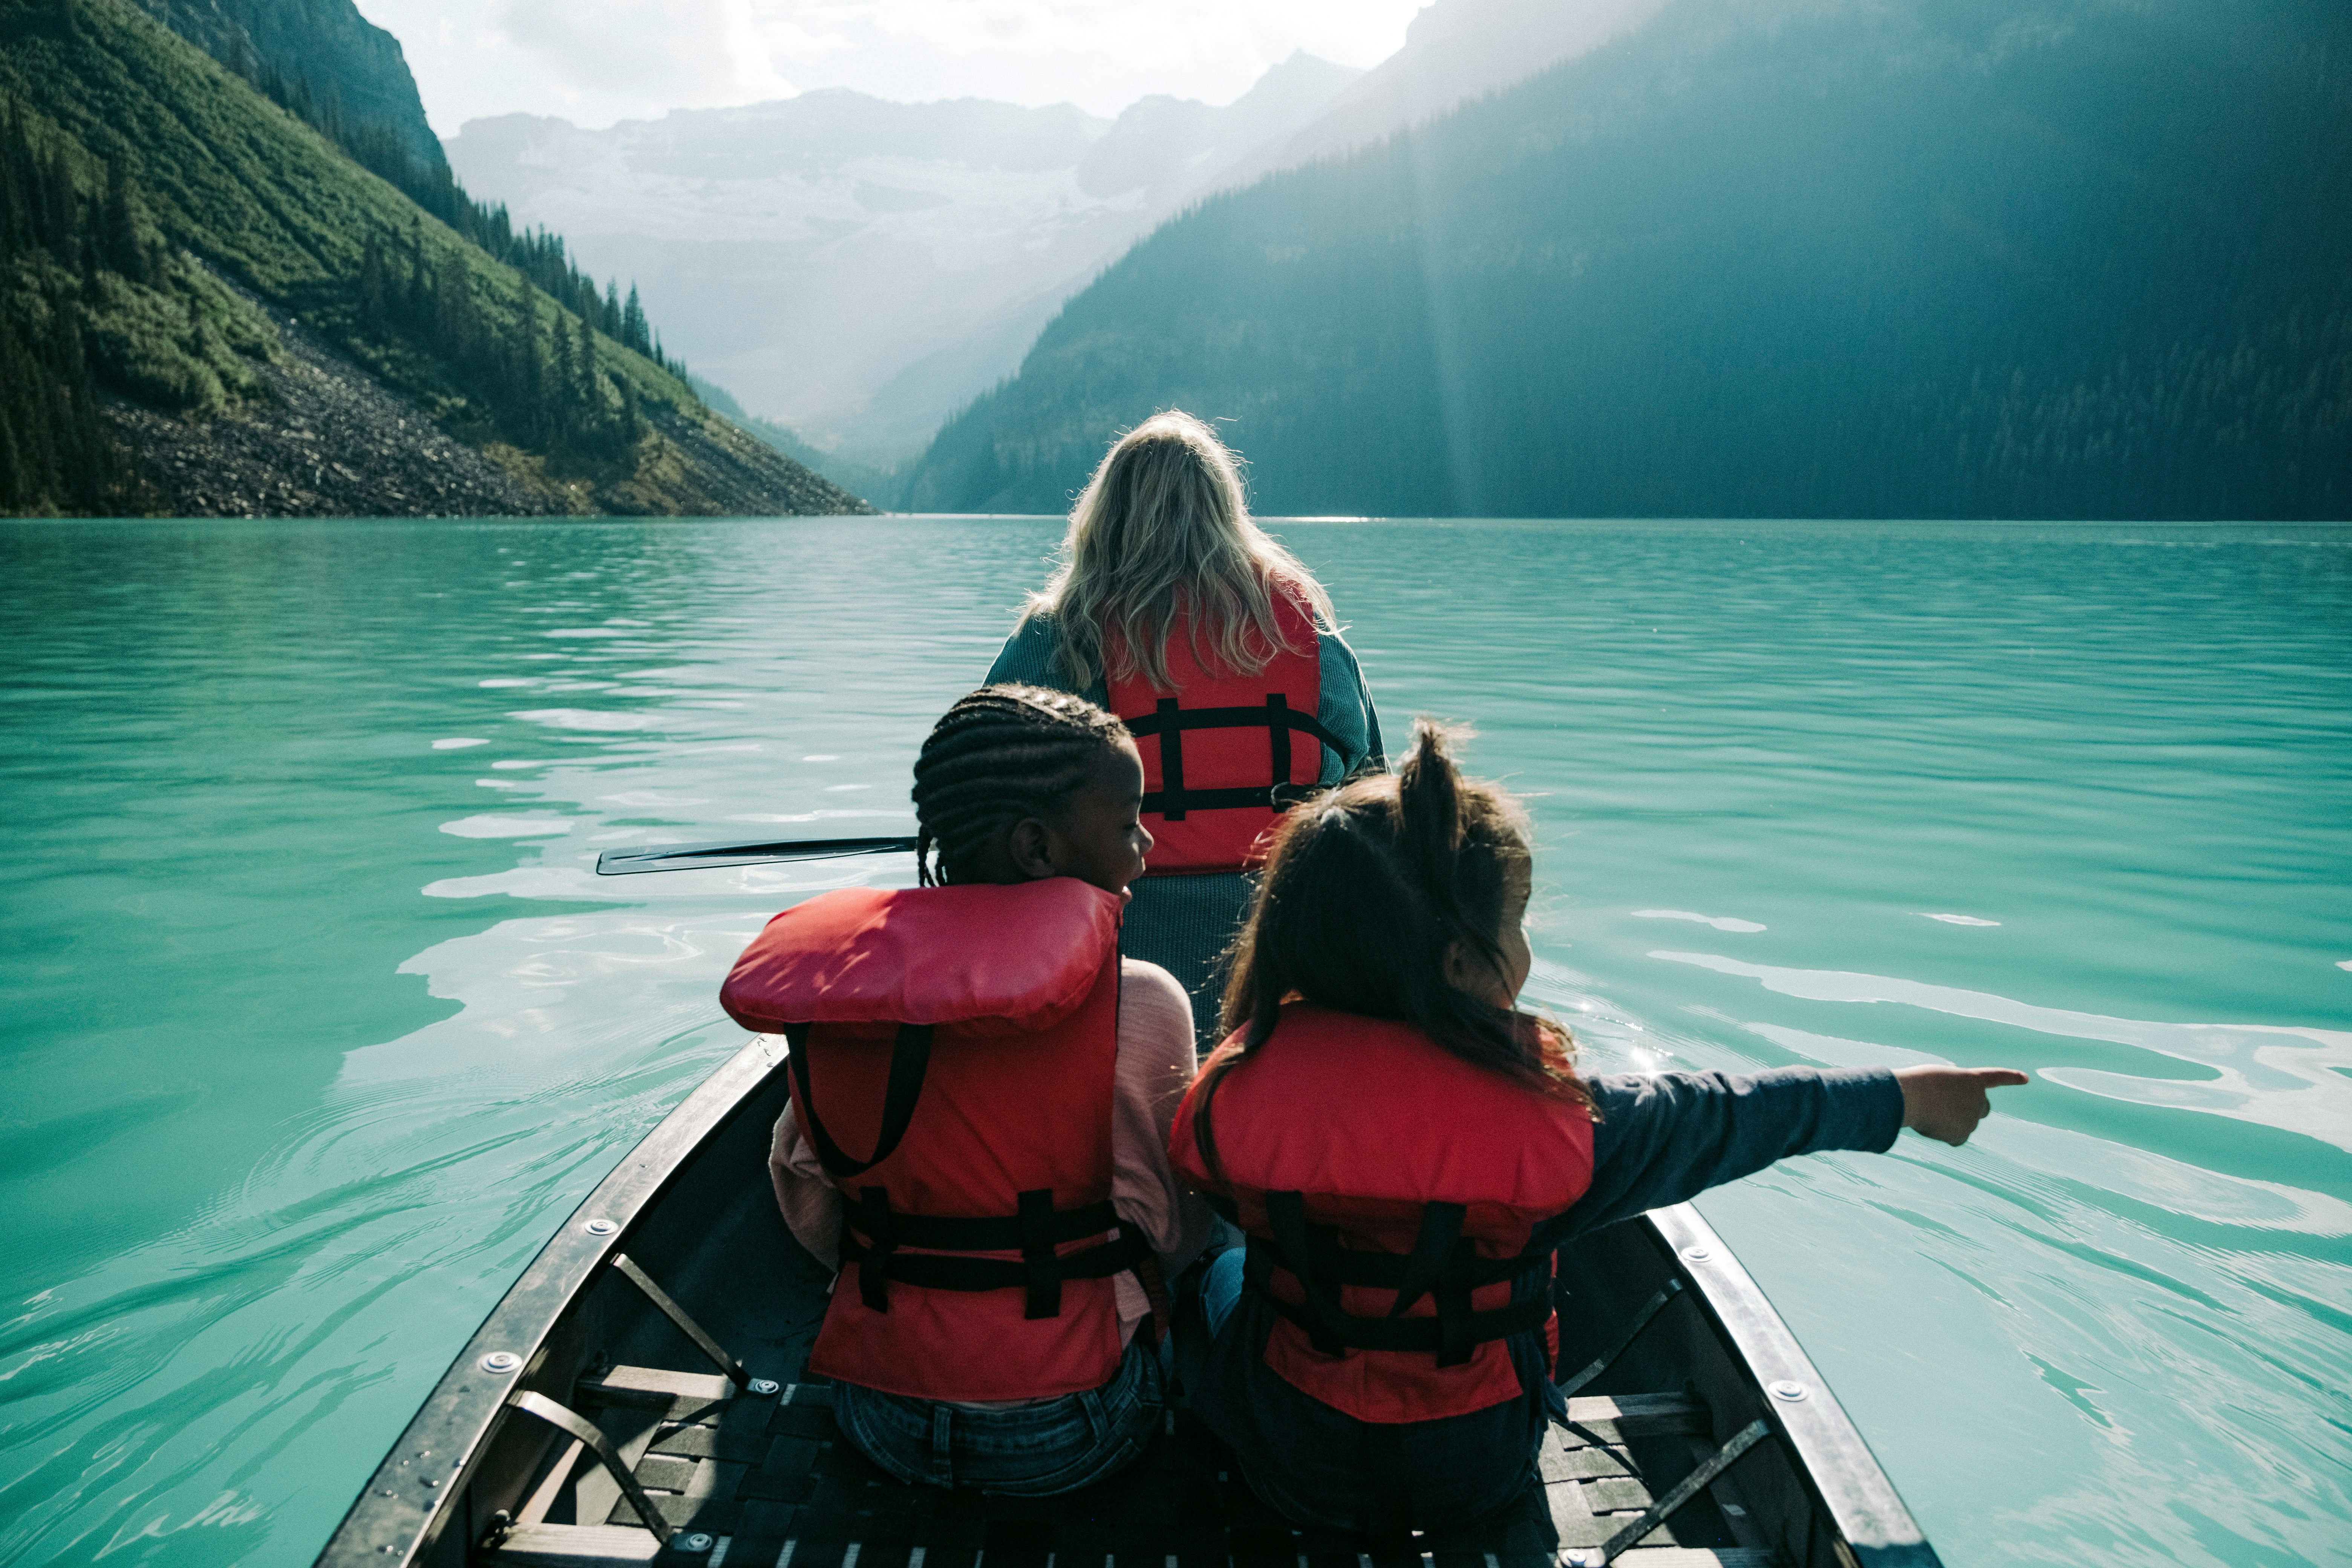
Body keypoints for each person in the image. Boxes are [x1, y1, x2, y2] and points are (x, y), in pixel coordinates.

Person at [1167, 721, 2027, 1534]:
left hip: (1290, 1464)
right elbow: (1731, 1114)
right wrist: (1902, 1096)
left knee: (1231, 1268)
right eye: (1518, 920)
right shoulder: (1572, 1129)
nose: (1527, 941)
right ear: (1463, 963)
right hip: (1479, 1470)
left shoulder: (1229, 1095)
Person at [721, 685, 1216, 1495]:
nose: (1146, 845)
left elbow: (808, 1191)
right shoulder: (1146, 1002)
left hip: (877, 1407)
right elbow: (1172, 1230)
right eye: (1128, 821)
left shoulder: (845, 999)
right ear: (1036, 848)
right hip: (1075, 1424)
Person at [988, 411, 1383, 1046]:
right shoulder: (1306, 629)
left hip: (1126, 950)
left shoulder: (1063, 631)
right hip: (1292, 942)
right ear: (1229, 512)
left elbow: (981, 773)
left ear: (1104, 512)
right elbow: (1371, 786)